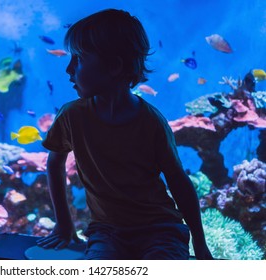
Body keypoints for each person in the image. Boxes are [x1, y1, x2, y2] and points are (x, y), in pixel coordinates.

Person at [37, 8, 213, 260]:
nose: (68, 69)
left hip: (160, 229)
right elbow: (54, 163)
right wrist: (64, 225)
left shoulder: (151, 122)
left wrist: (200, 244)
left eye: (79, 59)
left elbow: (178, 182)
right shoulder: (71, 116)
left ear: (115, 66)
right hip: (106, 231)